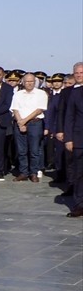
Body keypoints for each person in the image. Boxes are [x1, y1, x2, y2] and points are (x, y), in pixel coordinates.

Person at [11, 72, 48, 182]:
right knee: (21, 150)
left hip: (35, 123)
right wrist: (20, 123)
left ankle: (33, 172)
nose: (29, 83)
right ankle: (23, 172)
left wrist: (24, 121)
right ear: (23, 82)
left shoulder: (41, 93)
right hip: (19, 123)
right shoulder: (18, 94)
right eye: (27, 81)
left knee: (34, 150)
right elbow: (15, 109)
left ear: (35, 82)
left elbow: (39, 110)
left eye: (31, 81)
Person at [61, 62, 83, 216]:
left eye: (82, 73)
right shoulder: (74, 93)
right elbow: (69, 117)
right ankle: (79, 205)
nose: (79, 75)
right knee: (79, 173)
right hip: (79, 138)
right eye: (77, 73)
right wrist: (68, 139)